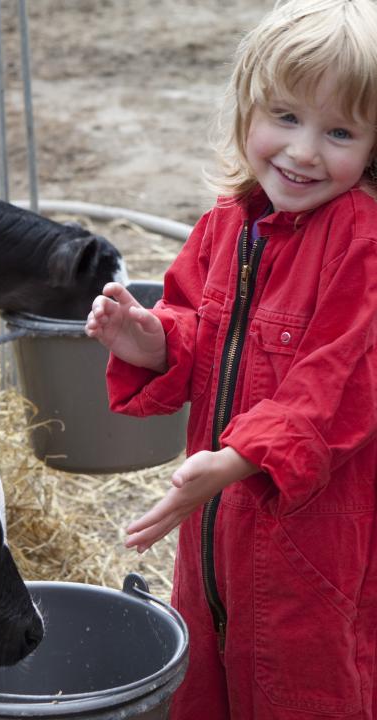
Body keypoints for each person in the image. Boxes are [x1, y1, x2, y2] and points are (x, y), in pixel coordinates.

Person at [85, 1, 377, 718]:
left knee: (303, 684)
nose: (304, 152)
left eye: (338, 130)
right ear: (248, 107)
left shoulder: (361, 240)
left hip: (312, 542)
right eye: (285, 117)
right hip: (214, 531)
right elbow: (197, 329)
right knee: (208, 676)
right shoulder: (227, 224)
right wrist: (147, 340)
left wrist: (241, 458)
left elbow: (336, 381)